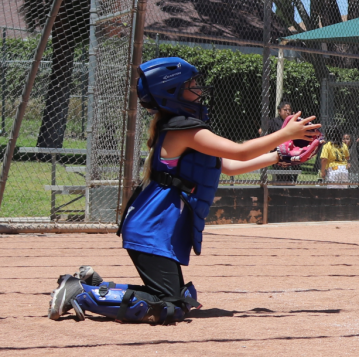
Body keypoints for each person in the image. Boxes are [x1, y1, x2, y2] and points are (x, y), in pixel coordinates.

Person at [47, 57, 321, 324]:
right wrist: (286, 134)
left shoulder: (180, 128)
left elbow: (227, 166)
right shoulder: (182, 130)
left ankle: (93, 285)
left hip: (155, 229)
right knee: (171, 307)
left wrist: (279, 157)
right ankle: (81, 294)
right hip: (149, 229)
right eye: (191, 85)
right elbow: (240, 152)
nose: (199, 90)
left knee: (181, 297)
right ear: (171, 92)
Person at [268, 100, 300, 184]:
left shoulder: (294, 122)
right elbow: (261, 131)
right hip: (279, 154)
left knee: (292, 178)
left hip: (292, 153)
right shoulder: (274, 122)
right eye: (285, 110)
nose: (288, 112)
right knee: (281, 178)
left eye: (289, 110)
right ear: (279, 111)